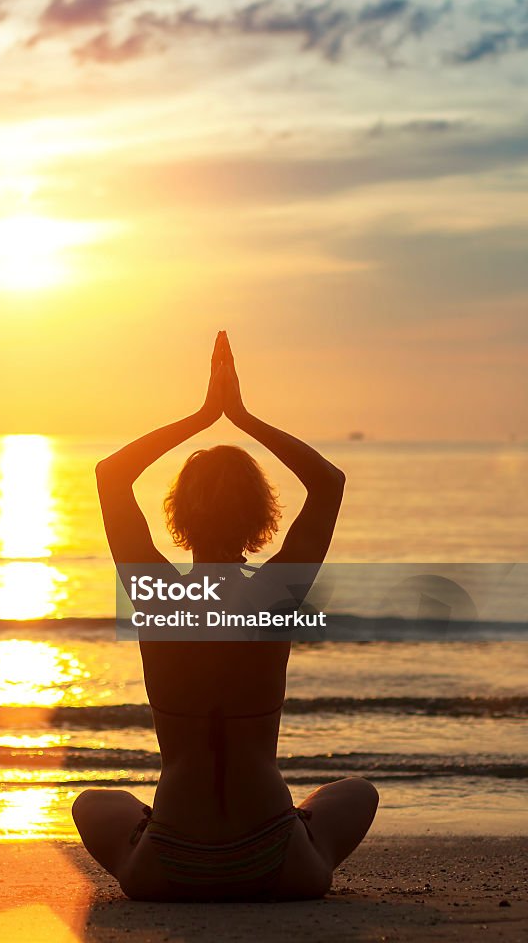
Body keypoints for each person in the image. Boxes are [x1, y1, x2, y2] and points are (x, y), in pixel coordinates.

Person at [73, 331, 377, 901]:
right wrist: (241, 417)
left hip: (167, 866)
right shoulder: (274, 595)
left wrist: (202, 416)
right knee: (356, 792)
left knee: (94, 803)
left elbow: (111, 475)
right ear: (262, 517)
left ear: (178, 516)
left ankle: (153, 832)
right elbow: (328, 484)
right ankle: (298, 833)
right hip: (277, 862)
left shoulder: (155, 592)